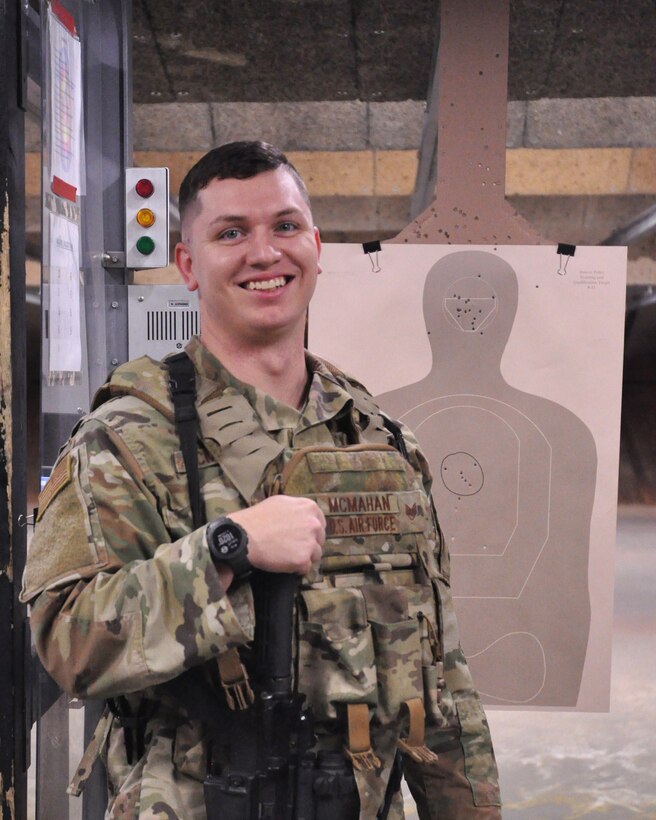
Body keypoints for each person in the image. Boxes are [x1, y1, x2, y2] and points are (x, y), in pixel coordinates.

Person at [21, 141, 501, 819]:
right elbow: (66, 641)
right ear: (188, 264)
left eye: (285, 226)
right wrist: (222, 549)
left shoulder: (381, 440)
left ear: (316, 244)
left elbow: (439, 674)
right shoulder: (127, 438)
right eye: (231, 234)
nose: (265, 253)